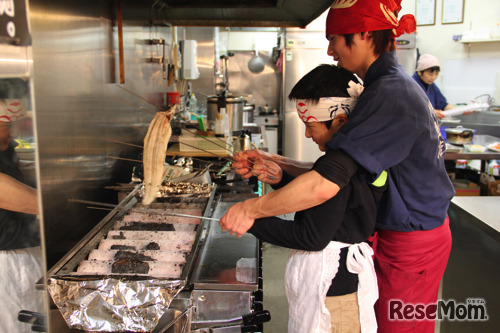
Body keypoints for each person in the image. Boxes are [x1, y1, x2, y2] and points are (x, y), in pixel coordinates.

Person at [221, 0, 454, 332]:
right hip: (393, 235)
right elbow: (339, 167)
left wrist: (251, 210)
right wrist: (276, 164)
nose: (330, 50)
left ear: (361, 34)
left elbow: (326, 183)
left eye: (334, 38)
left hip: (413, 242)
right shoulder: (382, 85)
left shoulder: (391, 93)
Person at [230, 64, 384, 333]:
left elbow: (311, 236)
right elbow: (323, 206)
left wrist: (250, 219)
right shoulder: (354, 154)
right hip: (335, 289)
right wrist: (281, 178)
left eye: (310, 126)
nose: (307, 134)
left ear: (341, 121)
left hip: (336, 297)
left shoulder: (341, 166)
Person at [0, 99, 44, 333]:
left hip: (23, 254)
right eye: (6, 127)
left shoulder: (5, 148)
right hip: (5, 266)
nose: (11, 135)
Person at [412, 53, 456, 119]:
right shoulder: (411, 85)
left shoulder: (431, 85)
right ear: (419, 72)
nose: (433, 77)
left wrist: (463, 110)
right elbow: (410, 109)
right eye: (430, 74)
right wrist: (429, 112)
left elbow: (443, 105)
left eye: (436, 73)